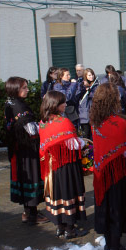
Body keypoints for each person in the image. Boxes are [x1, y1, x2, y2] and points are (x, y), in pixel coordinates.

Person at [90, 83, 126, 250]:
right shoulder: (120, 123)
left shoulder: (95, 122)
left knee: (106, 205)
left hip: (101, 171)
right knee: (116, 206)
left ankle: (109, 242)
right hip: (118, 172)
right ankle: (115, 246)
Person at [39, 91, 86, 238]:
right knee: (68, 193)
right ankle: (70, 229)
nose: (66, 104)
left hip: (52, 167)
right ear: (55, 105)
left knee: (57, 194)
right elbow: (74, 144)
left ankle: (60, 226)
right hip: (67, 166)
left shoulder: (43, 123)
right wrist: (83, 142)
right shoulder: (64, 122)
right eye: (63, 102)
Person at [4, 77, 48, 225]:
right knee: (31, 177)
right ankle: (32, 214)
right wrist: (45, 127)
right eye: (24, 87)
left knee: (24, 178)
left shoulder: (10, 103)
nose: (27, 90)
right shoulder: (19, 107)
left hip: (18, 149)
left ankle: (27, 212)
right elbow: (31, 130)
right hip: (26, 149)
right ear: (16, 89)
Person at [75, 68, 99, 139]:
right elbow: (77, 96)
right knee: (85, 134)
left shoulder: (97, 85)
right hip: (84, 114)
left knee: (94, 135)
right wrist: (82, 87)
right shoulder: (81, 85)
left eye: (92, 75)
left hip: (93, 113)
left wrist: (90, 91)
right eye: (89, 75)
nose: (91, 76)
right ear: (85, 76)